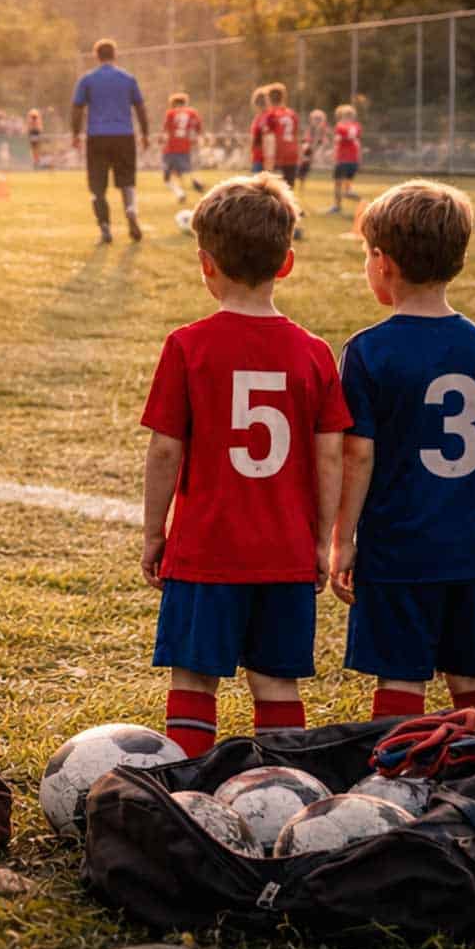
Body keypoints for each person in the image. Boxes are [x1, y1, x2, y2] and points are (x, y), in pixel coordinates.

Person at [138, 173, 350, 756]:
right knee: (276, 682)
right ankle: (286, 786)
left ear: (205, 265)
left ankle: (186, 787)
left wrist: (155, 532)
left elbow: (165, 449)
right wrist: (323, 540)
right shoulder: (314, 353)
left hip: (206, 550)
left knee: (193, 678)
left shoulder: (188, 346)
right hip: (285, 552)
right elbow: (331, 455)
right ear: (287, 263)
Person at [330, 180, 475, 726]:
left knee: (401, 677)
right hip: (470, 545)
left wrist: (343, 539)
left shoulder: (368, 350)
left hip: (399, 548)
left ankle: (400, 774)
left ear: (383, 263)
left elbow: (358, 456)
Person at [69, 40, 150, 244]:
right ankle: (130, 210)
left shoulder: (87, 79)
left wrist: (75, 134)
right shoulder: (128, 79)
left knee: (97, 186)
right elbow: (140, 108)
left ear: (96, 56)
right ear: (115, 55)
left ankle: (105, 228)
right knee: (127, 181)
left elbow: (77, 108)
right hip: (124, 136)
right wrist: (145, 134)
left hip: (97, 137)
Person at [260, 83, 305, 239]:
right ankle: (293, 227)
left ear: (269, 98)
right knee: (288, 193)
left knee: (272, 195)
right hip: (292, 154)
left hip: (278, 155)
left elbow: (270, 138)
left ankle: (274, 227)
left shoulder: (270, 115)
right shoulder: (292, 114)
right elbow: (296, 136)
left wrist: (269, 161)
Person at [160, 92, 207, 201]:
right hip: (185, 147)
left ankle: (180, 193)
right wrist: (198, 139)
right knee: (182, 171)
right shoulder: (192, 113)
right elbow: (199, 128)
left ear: (173, 103)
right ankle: (195, 181)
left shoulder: (170, 113)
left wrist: (161, 140)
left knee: (167, 178)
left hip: (170, 148)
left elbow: (165, 131)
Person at [327, 105, 364, 214]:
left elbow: (337, 140)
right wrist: (359, 159)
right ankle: (363, 202)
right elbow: (357, 143)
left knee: (338, 184)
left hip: (342, 159)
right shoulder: (357, 126)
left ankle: (337, 207)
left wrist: (333, 154)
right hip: (353, 160)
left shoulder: (340, 126)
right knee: (347, 190)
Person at [247, 87, 269, 175]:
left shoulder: (259, 119)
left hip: (259, 157)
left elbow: (254, 140)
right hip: (270, 158)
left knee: (258, 182)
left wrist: (250, 154)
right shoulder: (271, 116)